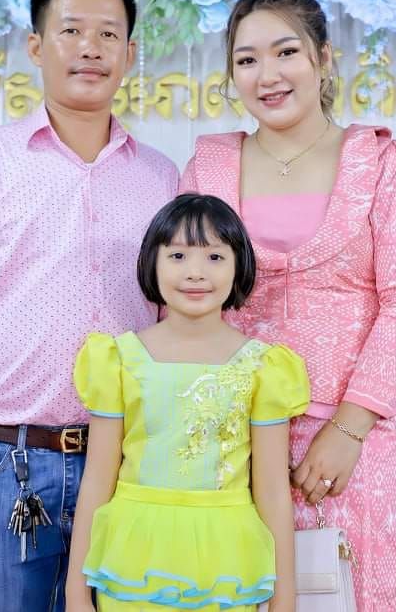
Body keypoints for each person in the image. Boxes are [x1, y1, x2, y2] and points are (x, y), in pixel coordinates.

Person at [0, 0, 178, 612]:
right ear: (35, 46)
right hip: (5, 466)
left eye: (108, 35)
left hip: (126, 465)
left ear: (129, 54)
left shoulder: (162, 176)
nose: (90, 48)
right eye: (71, 31)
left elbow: (174, 318)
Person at [180, 0, 396, 612]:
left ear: (323, 58)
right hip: (234, 438)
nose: (267, 75)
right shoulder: (209, 168)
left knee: (362, 593)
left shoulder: (379, 161)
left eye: (286, 52)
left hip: (361, 439)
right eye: (246, 59)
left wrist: (348, 430)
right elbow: (178, 305)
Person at [65, 193, 310, 612]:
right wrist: (76, 594)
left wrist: (284, 600)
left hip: (226, 560)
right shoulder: (119, 359)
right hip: (133, 558)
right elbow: (97, 480)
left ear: (239, 266)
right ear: (152, 262)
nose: (196, 272)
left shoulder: (262, 366)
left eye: (215, 257)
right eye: (178, 255)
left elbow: (272, 491)